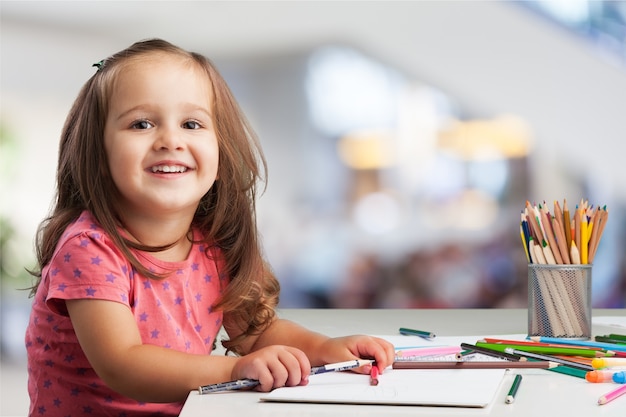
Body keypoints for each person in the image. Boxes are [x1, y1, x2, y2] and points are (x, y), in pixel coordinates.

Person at [24, 38, 395, 416]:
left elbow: (258, 332)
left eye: (191, 123)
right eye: (141, 123)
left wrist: (327, 349)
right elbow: (123, 363)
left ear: (220, 148)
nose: (171, 140)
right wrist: (235, 369)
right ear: (98, 153)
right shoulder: (88, 248)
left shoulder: (213, 244)